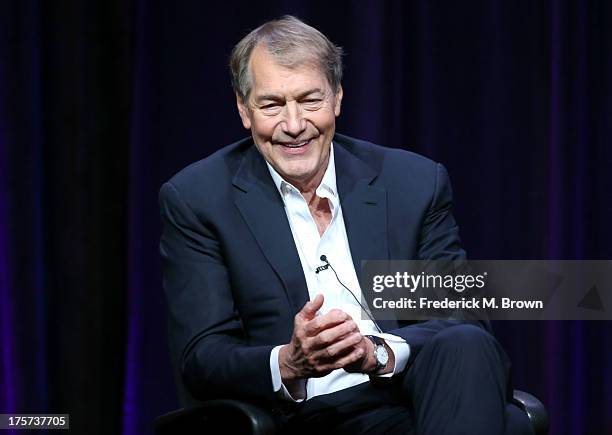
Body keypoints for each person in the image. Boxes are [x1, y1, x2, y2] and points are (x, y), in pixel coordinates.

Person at [159, 15, 532, 435]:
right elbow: (202, 356)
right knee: (509, 425)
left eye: (310, 100)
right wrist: (288, 361)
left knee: (466, 344)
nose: (295, 124)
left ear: (337, 98)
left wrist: (379, 353)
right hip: (303, 416)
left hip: (409, 389)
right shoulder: (200, 199)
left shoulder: (410, 184)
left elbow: (463, 318)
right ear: (244, 111)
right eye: (272, 105)